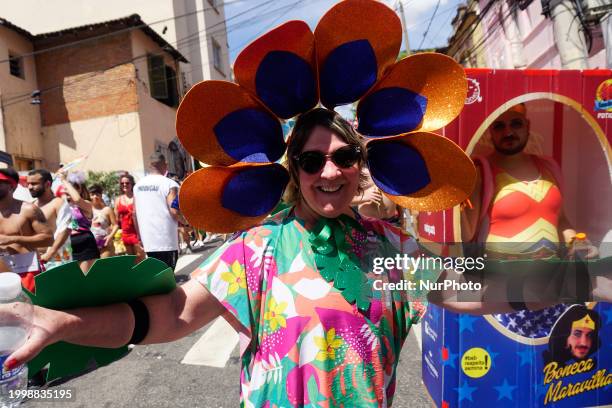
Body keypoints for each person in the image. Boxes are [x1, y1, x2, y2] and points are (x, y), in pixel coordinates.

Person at [461, 104, 598, 337]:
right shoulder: (481, 172)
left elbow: (562, 221)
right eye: (499, 126)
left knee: (553, 366)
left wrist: (577, 243)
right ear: (490, 132)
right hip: (505, 294)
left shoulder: (549, 167)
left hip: (553, 290)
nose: (508, 132)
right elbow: (465, 235)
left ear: (527, 126)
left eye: (516, 123)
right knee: (510, 367)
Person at [0, 167, 53, 291]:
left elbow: (48, 238)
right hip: (2, 273)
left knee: (30, 309)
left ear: (11, 186)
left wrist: (12, 239)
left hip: (26, 271)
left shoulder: (28, 210)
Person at [133, 153, 180, 270]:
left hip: (148, 240)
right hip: (166, 241)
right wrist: (186, 221)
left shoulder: (137, 186)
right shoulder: (170, 184)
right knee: (167, 278)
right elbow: (174, 211)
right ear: (165, 164)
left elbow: (134, 213)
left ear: (150, 165)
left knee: (155, 276)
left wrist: (139, 237)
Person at [26, 169, 73, 268]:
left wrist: (50, 253)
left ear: (47, 184)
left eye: (34, 183)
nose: (30, 187)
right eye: (28, 184)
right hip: (35, 260)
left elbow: (65, 230)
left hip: (57, 259)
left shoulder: (58, 203)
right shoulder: (30, 206)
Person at [59, 171, 99, 272]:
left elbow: (77, 199)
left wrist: (64, 180)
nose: (67, 194)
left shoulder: (86, 205)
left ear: (79, 190)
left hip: (85, 244)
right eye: (65, 192)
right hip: (68, 245)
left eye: (70, 192)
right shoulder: (64, 207)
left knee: (85, 279)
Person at [114, 173, 144, 262]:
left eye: (127, 183)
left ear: (132, 184)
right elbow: (116, 220)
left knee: (140, 257)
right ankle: (136, 276)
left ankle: (145, 275)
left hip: (137, 233)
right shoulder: (118, 200)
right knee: (131, 260)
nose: (124, 185)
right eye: (122, 183)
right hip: (125, 234)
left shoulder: (137, 197)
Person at [89, 184, 119, 258]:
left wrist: (110, 236)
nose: (95, 196)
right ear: (89, 196)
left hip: (105, 243)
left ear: (101, 195)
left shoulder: (107, 210)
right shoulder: (87, 210)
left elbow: (115, 225)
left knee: (105, 267)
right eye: (93, 194)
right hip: (90, 245)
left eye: (97, 194)